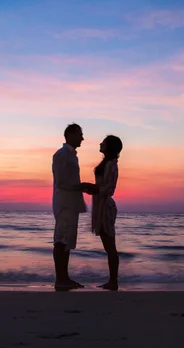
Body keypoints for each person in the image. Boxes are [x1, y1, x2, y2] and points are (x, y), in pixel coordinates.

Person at [51, 123, 95, 290]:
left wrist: (82, 187)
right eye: (80, 134)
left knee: (67, 240)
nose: (82, 138)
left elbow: (69, 181)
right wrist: (82, 186)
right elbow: (62, 182)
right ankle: (60, 279)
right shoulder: (62, 155)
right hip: (64, 203)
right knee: (61, 240)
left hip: (71, 203)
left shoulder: (71, 156)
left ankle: (64, 278)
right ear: (70, 135)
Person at [90, 135, 123, 291]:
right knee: (108, 246)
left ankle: (113, 282)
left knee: (110, 246)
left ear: (109, 146)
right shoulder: (106, 163)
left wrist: (93, 189)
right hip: (100, 206)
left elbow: (110, 189)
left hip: (105, 207)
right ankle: (112, 281)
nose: (100, 143)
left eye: (103, 142)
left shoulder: (111, 165)